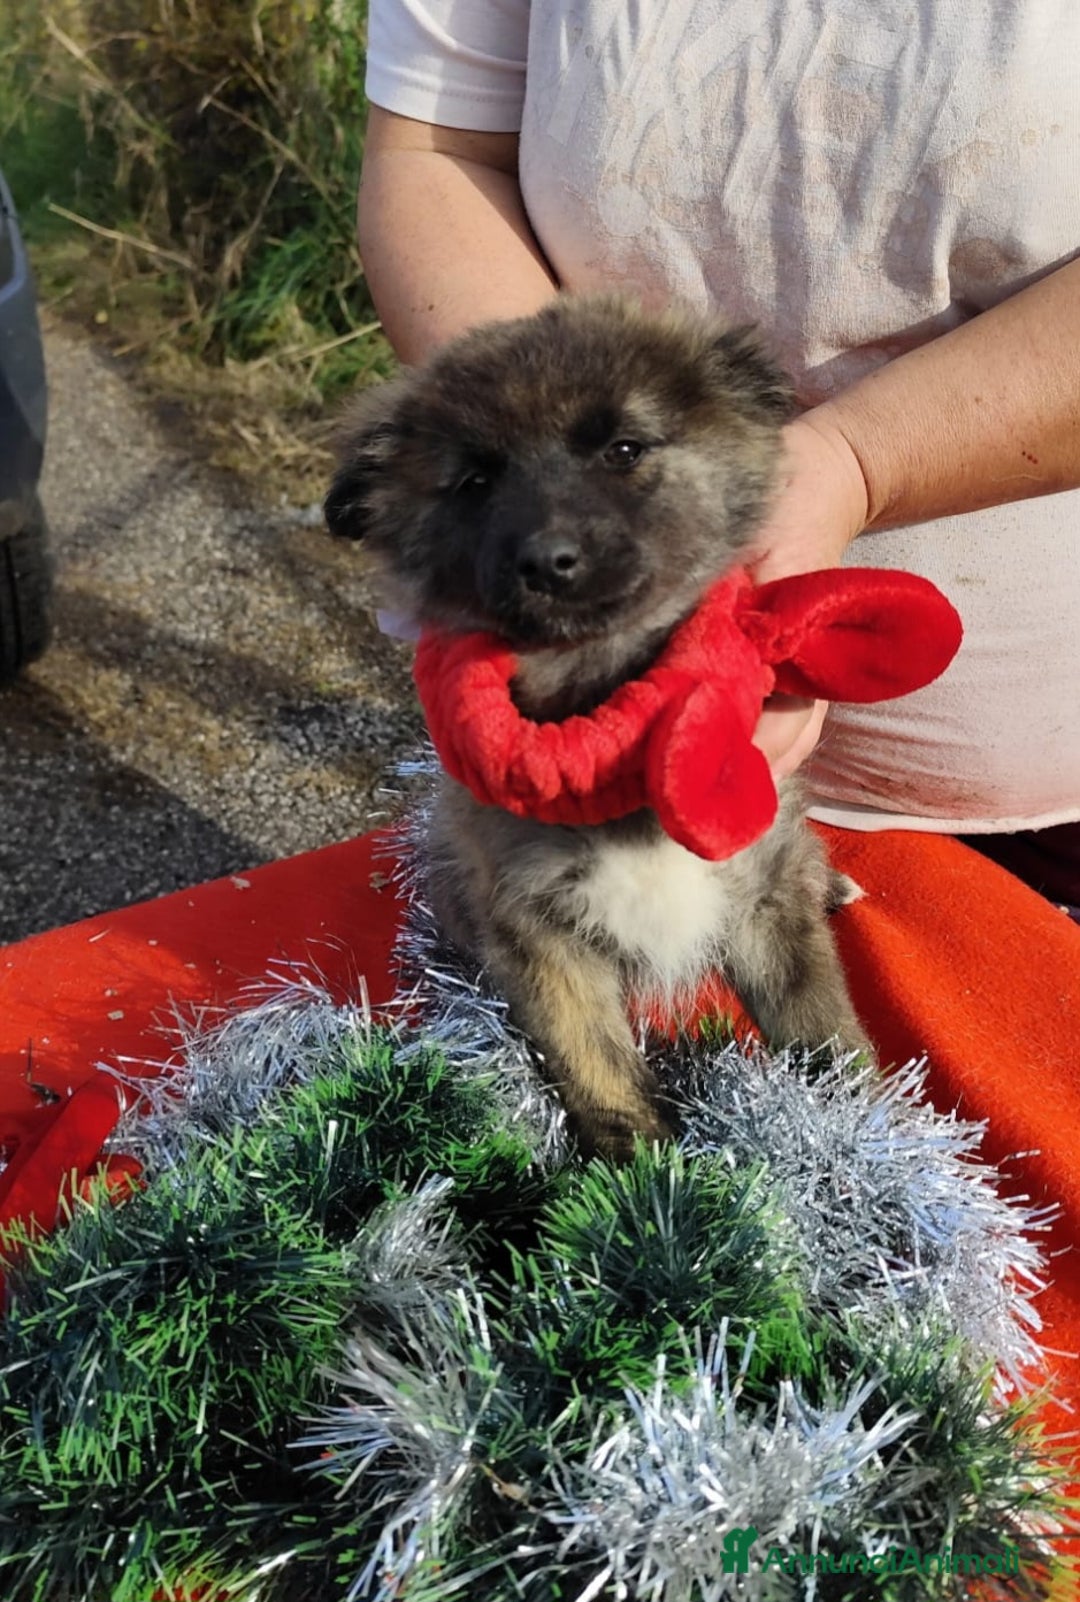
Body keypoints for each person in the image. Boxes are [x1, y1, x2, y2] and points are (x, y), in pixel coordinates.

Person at [356, 2, 1080, 909]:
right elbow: (439, 152)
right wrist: (551, 474)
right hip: (595, 740)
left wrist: (855, 462)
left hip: (1040, 781)